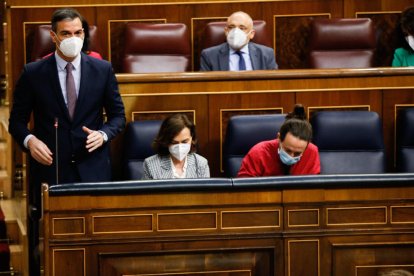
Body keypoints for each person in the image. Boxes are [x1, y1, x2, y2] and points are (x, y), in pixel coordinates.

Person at [8, 8, 125, 274]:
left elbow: (118, 116)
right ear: (53, 36)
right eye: (66, 33)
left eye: (78, 32)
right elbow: (16, 121)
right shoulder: (34, 72)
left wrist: (104, 133)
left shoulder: (102, 69)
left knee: (96, 242)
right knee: (53, 246)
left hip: (93, 169)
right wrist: (29, 140)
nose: (73, 38)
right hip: (52, 170)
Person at [237, 105, 320, 177]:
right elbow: (243, 190)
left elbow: (314, 189)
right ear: (279, 138)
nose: (291, 156)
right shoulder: (258, 153)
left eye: (297, 153)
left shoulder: (312, 152)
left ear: (307, 145)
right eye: (288, 150)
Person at [200, 11, 278, 71]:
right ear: (226, 31)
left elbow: (273, 84)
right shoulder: (209, 56)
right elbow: (205, 86)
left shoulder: (266, 54)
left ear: (252, 34)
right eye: (231, 27)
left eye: (242, 28)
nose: (236, 31)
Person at [142, 114, 210, 179]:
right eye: (174, 143)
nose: (180, 147)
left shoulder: (201, 163)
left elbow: (205, 191)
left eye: (184, 142)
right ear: (165, 141)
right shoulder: (150, 165)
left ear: (192, 138)